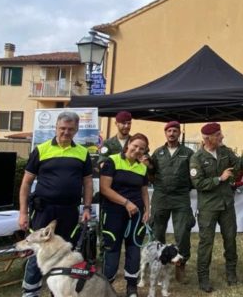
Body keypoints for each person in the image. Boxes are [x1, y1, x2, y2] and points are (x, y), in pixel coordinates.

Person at [18, 111, 93, 297]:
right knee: (38, 251)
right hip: (44, 209)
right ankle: (30, 292)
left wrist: (87, 208)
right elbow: (26, 182)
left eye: (70, 129)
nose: (65, 132)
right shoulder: (41, 149)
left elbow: (88, 182)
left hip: (69, 211)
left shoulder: (83, 153)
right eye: (62, 128)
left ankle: (59, 292)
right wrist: (23, 213)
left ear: (76, 130)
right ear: (56, 128)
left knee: (65, 254)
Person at [189, 122, 243, 293]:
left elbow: (237, 168)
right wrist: (220, 179)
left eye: (220, 134)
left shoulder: (225, 151)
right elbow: (198, 183)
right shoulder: (197, 158)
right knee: (206, 243)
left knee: (230, 240)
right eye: (218, 135)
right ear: (207, 138)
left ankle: (231, 274)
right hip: (208, 207)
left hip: (227, 205)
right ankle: (203, 278)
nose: (221, 137)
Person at [99, 133, 151, 297]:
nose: (137, 150)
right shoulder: (112, 161)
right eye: (135, 146)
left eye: (141, 149)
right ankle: (106, 286)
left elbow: (144, 192)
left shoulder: (142, 167)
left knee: (134, 250)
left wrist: (147, 210)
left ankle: (131, 287)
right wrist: (126, 203)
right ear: (128, 144)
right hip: (114, 213)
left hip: (136, 216)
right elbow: (105, 188)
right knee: (112, 250)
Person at [149, 121, 195, 283]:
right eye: (169, 130)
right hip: (161, 196)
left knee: (182, 232)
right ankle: (158, 266)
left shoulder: (188, 152)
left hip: (180, 197)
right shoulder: (158, 152)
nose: (172, 133)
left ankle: (180, 266)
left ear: (179, 133)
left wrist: (185, 187)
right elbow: (150, 172)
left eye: (175, 130)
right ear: (165, 133)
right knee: (157, 232)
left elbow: (193, 174)